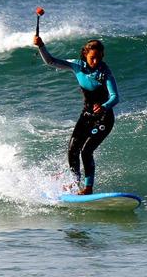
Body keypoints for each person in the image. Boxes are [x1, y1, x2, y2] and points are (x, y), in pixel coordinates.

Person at [33, 35, 119, 195]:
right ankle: (75, 183)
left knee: (86, 152)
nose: (96, 61)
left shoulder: (105, 72)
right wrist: (41, 46)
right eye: (92, 58)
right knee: (72, 150)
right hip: (86, 116)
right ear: (85, 55)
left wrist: (104, 106)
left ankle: (88, 188)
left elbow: (115, 97)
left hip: (104, 118)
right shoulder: (77, 66)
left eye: (99, 58)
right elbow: (51, 61)